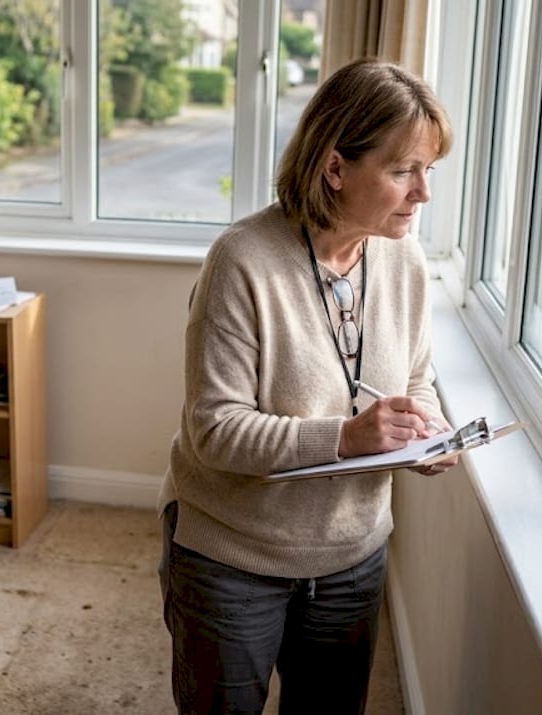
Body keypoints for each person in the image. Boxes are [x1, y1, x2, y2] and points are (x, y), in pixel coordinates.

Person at [158, 58, 459, 715]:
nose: (423, 193)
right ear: (334, 169)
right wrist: (348, 437)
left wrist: (426, 431)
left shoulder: (403, 257)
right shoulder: (242, 261)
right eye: (405, 170)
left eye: (428, 171)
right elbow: (214, 430)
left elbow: (414, 377)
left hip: (354, 551)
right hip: (232, 554)